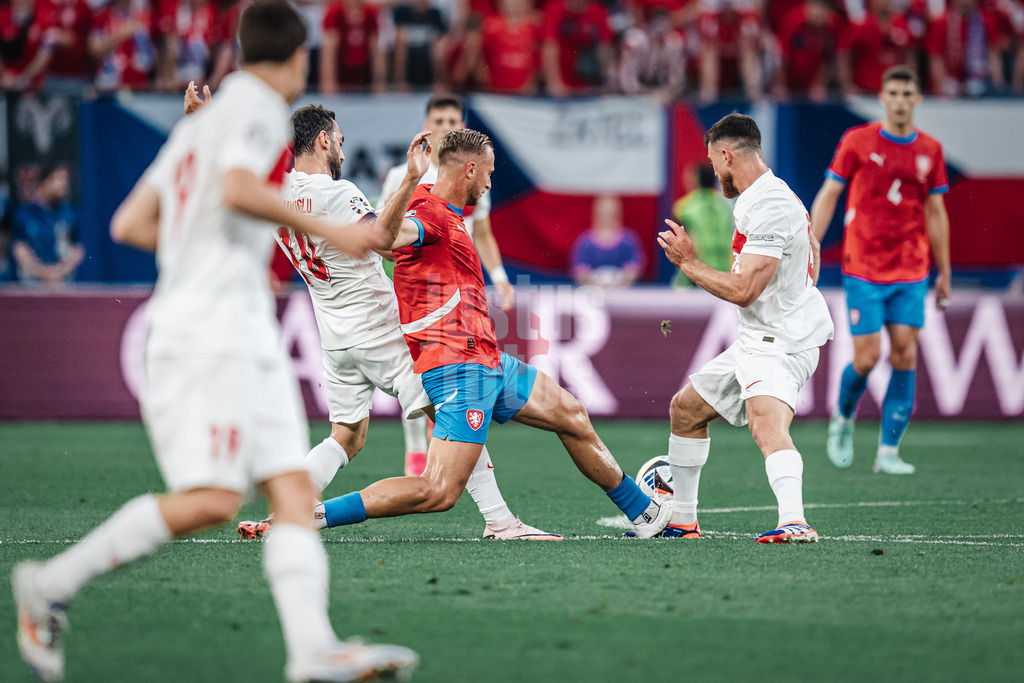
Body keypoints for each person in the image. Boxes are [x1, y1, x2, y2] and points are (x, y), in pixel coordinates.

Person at [11, 4, 418, 682]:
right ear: (298, 59)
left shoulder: (211, 121)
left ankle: (313, 648)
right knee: (211, 499)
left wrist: (205, 237)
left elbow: (130, 223)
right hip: (209, 330)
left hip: (240, 327)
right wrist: (339, 234)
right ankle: (50, 583)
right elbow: (234, 188)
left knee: (291, 489)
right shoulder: (256, 108)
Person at [316, 128, 672, 540]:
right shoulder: (427, 213)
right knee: (438, 490)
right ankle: (317, 515)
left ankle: (646, 515)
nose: (489, 182)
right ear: (469, 169)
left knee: (571, 415)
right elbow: (383, 238)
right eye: (487, 172)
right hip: (456, 369)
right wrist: (411, 179)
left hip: (487, 360)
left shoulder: (447, 215)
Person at [233, 103, 560, 542]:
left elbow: (232, 160)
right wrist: (412, 190)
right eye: (342, 143)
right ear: (324, 140)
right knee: (457, 414)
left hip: (333, 337)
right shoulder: (338, 193)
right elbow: (383, 242)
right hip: (381, 329)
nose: (344, 155)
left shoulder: (276, 192)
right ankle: (501, 521)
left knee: (347, 435)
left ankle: (287, 510)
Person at [657, 113, 833, 543]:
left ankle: (795, 521)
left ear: (726, 154)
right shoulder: (766, 197)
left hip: (780, 340)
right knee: (687, 410)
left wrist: (688, 263)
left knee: (766, 425)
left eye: (713, 162)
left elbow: (746, 290)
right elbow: (813, 251)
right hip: (761, 335)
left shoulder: (770, 206)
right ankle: (683, 521)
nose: (714, 172)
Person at [810, 65, 950, 475]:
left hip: (911, 266)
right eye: (894, 92)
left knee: (906, 352)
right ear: (884, 97)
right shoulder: (858, 141)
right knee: (868, 358)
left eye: (909, 93)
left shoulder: (930, 150)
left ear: (918, 98)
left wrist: (945, 271)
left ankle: (888, 451)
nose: (901, 100)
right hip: (864, 266)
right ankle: (843, 416)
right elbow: (830, 192)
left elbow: (936, 211)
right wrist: (813, 245)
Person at [380, 92, 514, 477]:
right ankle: (416, 453)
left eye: (452, 122)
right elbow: (385, 232)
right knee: (421, 374)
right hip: (424, 285)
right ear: (426, 125)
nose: (445, 128)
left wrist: (500, 276)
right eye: (438, 122)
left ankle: (456, 462)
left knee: (459, 381)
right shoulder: (403, 175)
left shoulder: (474, 174)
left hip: (461, 286)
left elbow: (483, 231)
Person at [11, 163, 84, 288]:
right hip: (31, 287)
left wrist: (59, 272)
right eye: (58, 178)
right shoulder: (25, 214)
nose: (64, 184)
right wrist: (42, 273)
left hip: (62, 285)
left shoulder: (68, 214)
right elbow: (19, 248)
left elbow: (78, 249)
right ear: (43, 183)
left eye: (65, 179)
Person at [670, 163, 733, 288]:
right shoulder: (726, 205)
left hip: (699, 270)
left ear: (696, 180)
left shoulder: (683, 207)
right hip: (727, 268)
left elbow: (686, 241)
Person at [569, 194, 645, 288]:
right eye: (604, 211)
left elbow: (635, 267)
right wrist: (594, 280)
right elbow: (579, 270)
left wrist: (620, 279)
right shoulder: (585, 242)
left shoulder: (629, 240)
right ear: (596, 212)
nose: (607, 215)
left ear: (619, 212)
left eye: (611, 212)